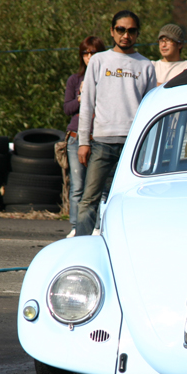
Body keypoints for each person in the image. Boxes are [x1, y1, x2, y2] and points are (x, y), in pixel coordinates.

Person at [76, 10, 157, 237]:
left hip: (134, 146)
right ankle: (81, 245)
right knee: (89, 199)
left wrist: (149, 147)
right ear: (112, 31)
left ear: (137, 34)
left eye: (131, 31)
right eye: (121, 30)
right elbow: (87, 105)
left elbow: (149, 109)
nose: (125, 35)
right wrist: (84, 141)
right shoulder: (99, 60)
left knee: (129, 199)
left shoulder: (146, 65)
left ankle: (126, 242)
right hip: (102, 142)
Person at [63, 36, 106, 238]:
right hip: (75, 137)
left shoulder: (106, 78)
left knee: (99, 186)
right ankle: (75, 226)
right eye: (86, 53)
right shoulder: (74, 79)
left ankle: (98, 226)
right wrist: (81, 98)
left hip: (98, 137)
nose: (89, 57)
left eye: (93, 53)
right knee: (77, 186)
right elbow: (67, 108)